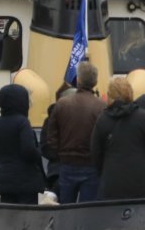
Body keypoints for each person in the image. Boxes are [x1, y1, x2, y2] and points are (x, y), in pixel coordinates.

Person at [91, 76, 145, 200]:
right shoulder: (143, 117)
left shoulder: (103, 119)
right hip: (143, 183)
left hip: (111, 185)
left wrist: (105, 171)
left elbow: (96, 153)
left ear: (110, 95)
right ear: (130, 93)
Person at [41, 61, 108, 203]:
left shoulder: (62, 104)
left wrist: (60, 154)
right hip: (92, 165)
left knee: (66, 208)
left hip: (67, 164)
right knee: (87, 209)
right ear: (95, 82)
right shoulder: (102, 107)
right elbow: (106, 138)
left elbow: (51, 138)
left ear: (78, 80)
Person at [0, 84, 47, 204]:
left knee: (8, 213)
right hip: (26, 181)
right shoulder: (23, 123)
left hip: (5, 181)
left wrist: (6, 158)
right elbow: (29, 150)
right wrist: (38, 152)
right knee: (26, 215)